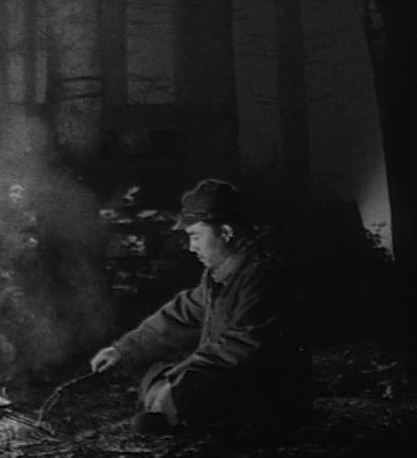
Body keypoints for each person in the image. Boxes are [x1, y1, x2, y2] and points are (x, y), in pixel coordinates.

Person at [87, 178, 310, 434]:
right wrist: (124, 351)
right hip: (229, 375)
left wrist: (182, 378)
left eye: (196, 236)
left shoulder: (262, 275)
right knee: (157, 375)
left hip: (266, 390)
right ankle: (170, 409)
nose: (192, 247)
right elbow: (180, 317)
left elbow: (244, 345)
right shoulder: (220, 275)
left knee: (182, 388)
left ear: (226, 233)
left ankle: (175, 411)